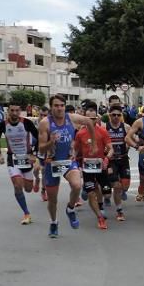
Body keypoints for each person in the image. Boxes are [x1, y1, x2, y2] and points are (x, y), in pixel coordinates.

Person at [37, 94, 99, 238]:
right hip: (52, 163)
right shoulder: (45, 123)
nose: (59, 108)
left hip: (68, 161)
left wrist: (94, 144)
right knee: (53, 200)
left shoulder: (71, 118)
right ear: (51, 107)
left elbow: (90, 123)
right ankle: (53, 222)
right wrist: (51, 142)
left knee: (77, 185)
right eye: (56, 106)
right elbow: (41, 149)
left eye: (61, 105)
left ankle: (70, 209)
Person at [0, 102, 39, 224]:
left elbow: (38, 137)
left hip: (27, 158)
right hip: (12, 158)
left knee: (28, 189)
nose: (14, 113)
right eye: (12, 110)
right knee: (18, 186)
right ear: (8, 111)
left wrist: (34, 154)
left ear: (20, 111)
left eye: (17, 110)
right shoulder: (2, 125)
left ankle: (31, 179)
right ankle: (26, 213)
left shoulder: (27, 123)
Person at [73, 103, 113, 230]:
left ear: (97, 119)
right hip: (87, 168)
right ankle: (100, 217)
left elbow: (110, 149)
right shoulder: (80, 133)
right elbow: (75, 151)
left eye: (93, 119)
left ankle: (101, 203)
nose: (91, 121)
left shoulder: (102, 131)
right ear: (85, 119)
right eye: (88, 119)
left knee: (106, 193)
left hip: (101, 166)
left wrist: (107, 159)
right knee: (91, 193)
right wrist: (74, 163)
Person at [104, 104, 131, 222]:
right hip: (111, 160)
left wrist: (128, 145)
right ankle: (119, 211)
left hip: (123, 159)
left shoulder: (126, 127)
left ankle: (109, 186)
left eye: (118, 115)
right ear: (109, 115)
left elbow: (130, 139)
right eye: (113, 115)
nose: (116, 117)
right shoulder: (104, 127)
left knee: (125, 186)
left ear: (121, 116)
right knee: (117, 186)